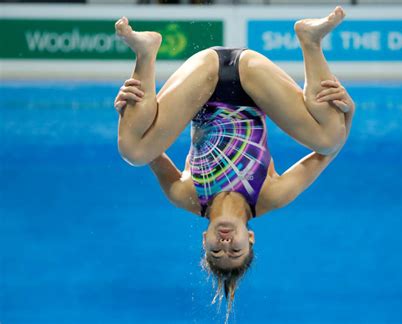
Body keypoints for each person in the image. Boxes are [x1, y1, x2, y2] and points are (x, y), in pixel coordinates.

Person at [113, 6, 355, 314]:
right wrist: (351, 112)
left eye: (216, 250)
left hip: (203, 78)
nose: (225, 243)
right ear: (250, 238)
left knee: (133, 150)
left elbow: (147, 147)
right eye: (235, 249)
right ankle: (310, 41)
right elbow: (327, 153)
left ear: (205, 239)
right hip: (253, 78)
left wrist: (129, 116)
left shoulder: (186, 195)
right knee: (330, 136)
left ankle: (145, 53)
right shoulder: (270, 196)